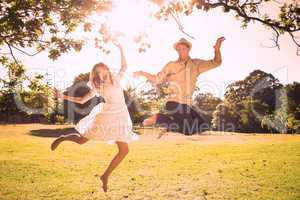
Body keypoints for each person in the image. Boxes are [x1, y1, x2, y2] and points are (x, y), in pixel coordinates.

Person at [51, 41, 139, 192]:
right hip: (107, 115)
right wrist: (63, 97)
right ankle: (63, 137)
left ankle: (105, 176)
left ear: (106, 69)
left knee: (124, 150)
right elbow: (82, 100)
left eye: (103, 68)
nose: (101, 72)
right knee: (81, 140)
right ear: (96, 73)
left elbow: (124, 66)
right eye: (98, 71)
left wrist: (121, 47)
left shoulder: (116, 79)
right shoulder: (97, 86)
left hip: (121, 116)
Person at [133, 37, 225, 137]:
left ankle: (167, 124)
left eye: (183, 48)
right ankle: (159, 118)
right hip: (174, 102)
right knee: (189, 130)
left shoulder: (196, 64)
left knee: (202, 126)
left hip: (187, 104)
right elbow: (157, 79)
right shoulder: (171, 65)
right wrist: (142, 73)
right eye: (178, 49)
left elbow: (216, 62)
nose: (181, 51)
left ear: (188, 49)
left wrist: (217, 49)